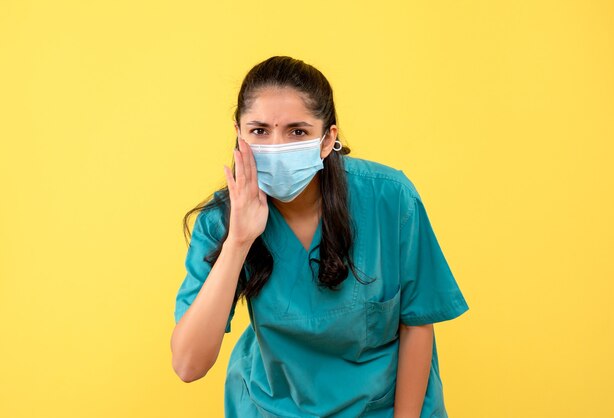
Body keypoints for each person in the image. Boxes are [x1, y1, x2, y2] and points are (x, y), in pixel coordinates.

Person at [170, 55, 470, 418]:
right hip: (272, 407)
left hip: (383, 406)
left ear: (328, 139)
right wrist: (238, 242)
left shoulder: (389, 198)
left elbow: (417, 323)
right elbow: (188, 365)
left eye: (297, 132)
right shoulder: (221, 221)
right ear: (238, 134)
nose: (277, 147)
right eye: (259, 131)